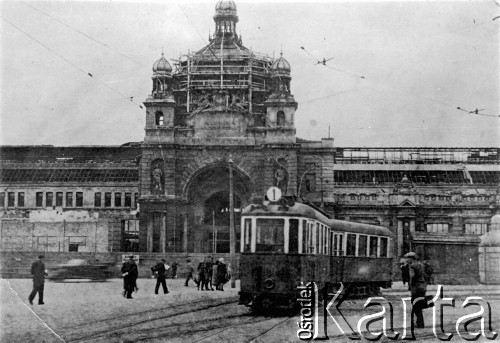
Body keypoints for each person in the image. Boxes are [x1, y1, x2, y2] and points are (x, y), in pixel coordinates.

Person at [405, 252, 427, 329]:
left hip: (416, 287)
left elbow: (412, 276)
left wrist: (410, 285)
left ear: (411, 258)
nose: (407, 260)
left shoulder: (412, 266)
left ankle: (420, 323)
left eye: (407, 258)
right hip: (423, 286)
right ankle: (420, 322)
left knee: (415, 305)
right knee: (419, 305)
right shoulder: (421, 265)